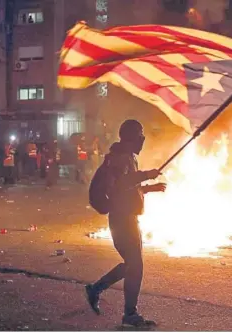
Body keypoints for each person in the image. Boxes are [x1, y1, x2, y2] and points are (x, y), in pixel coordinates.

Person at [85, 119, 166, 328]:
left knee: (132, 264)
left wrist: (150, 187)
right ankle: (129, 314)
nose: (142, 138)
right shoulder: (119, 158)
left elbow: (128, 188)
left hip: (127, 217)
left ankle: (96, 289)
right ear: (130, 137)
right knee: (135, 265)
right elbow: (122, 183)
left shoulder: (127, 157)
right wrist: (147, 175)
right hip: (122, 218)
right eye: (140, 134)